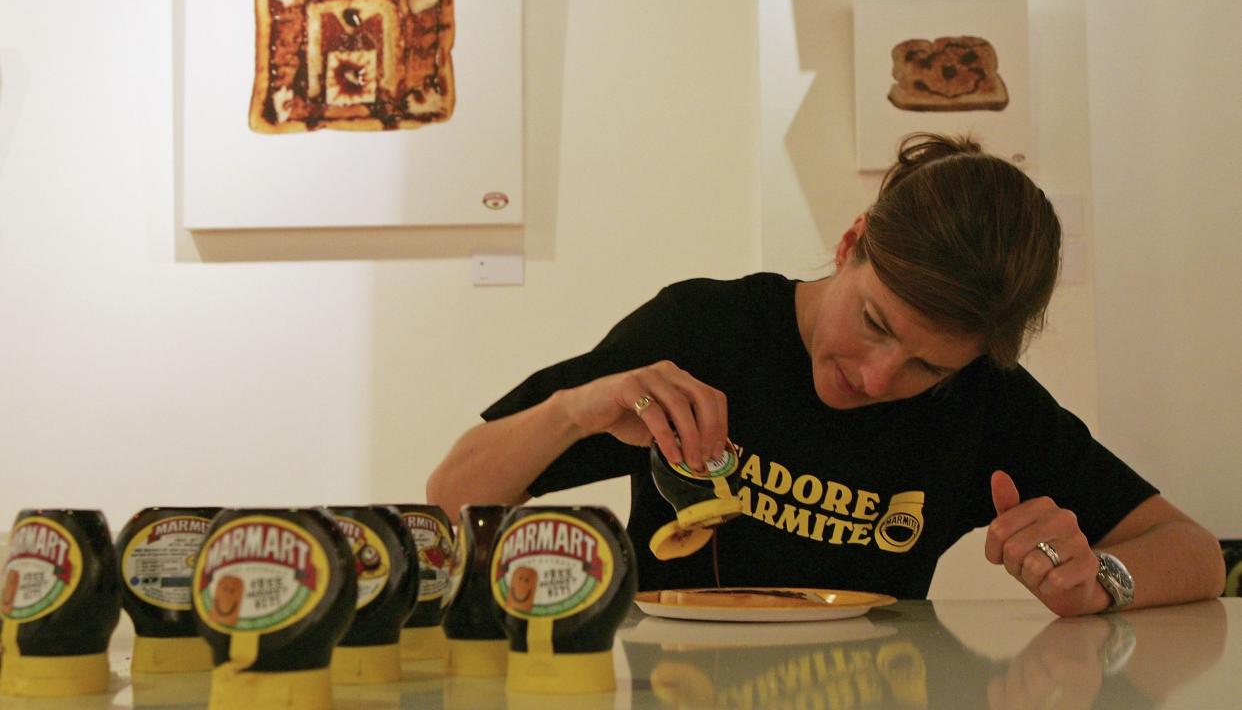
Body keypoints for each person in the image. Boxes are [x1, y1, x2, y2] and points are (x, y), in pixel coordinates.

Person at [427, 133, 1224, 617]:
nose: (877, 378)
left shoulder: (988, 405)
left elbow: (1191, 550)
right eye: (876, 324)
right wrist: (575, 409)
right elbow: (452, 495)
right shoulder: (706, 329)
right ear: (852, 243)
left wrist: (1101, 581)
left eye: (928, 366)